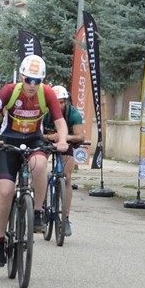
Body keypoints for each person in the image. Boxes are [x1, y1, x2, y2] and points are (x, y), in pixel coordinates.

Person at [0, 54, 67, 266]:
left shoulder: (46, 93)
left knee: (40, 166)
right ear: (21, 76)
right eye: (28, 79)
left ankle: (37, 212)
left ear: (42, 81)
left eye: (37, 80)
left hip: (33, 140)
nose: (32, 84)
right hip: (8, 141)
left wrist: (63, 140)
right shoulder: (9, 91)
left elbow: (60, 122)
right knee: (5, 191)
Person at [43, 84, 87, 237]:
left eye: (62, 102)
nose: (59, 105)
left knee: (67, 177)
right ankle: (40, 209)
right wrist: (49, 137)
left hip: (65, 144)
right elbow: (34, 133)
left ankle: (66, 218)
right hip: (46, 143)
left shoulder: (73, 114)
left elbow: (81, 136)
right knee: (38, 170)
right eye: (56, 102)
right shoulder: (44, 113)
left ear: (66, 102)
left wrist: (65, 137)